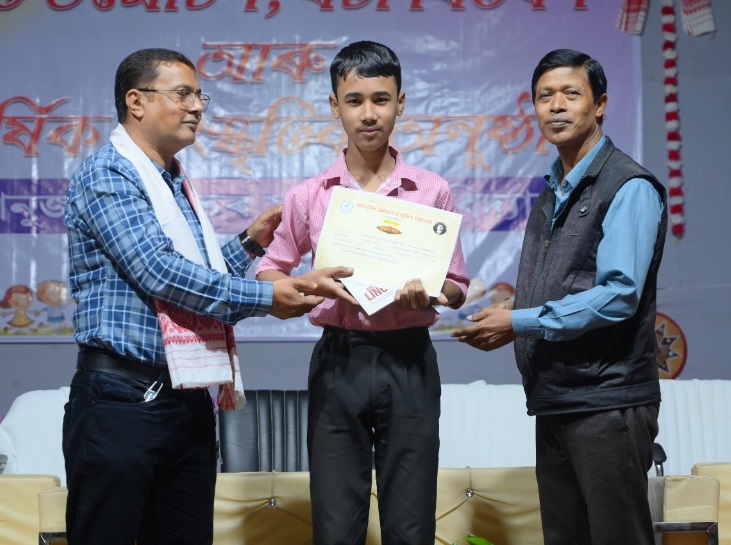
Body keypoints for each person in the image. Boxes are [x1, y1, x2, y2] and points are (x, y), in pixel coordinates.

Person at [62, 48, 350, 545]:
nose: (197, 106)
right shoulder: (109, 173)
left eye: (200, 96)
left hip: (186, 399)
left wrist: (250, 244)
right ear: (136, 101)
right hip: (121, 401)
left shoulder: (173, 181)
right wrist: (266, 298)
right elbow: (159, 273)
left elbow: (194, 275)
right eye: (183, 94)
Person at [256, 41, 469, 545]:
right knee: (335, 529)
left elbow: (457, 286)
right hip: (338, 361)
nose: (368, 113)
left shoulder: (431, 190)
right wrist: (307, 285)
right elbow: (268, 273)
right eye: (354, 100)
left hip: (410, 361)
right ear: (335, 106)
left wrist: (432, 294)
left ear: (401, 103)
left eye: (380, 99)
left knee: (411, 529)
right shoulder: (309, 194)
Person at [453, 48, 668, 545]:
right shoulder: (552, 188)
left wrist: (521, 322)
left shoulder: (627, 185)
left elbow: (619, 295)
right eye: (544, 96)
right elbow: (571, 282)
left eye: (571, 94)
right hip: (556, 398)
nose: (556, 106)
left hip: (606, 401)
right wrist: (514, 310)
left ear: (600, 105)